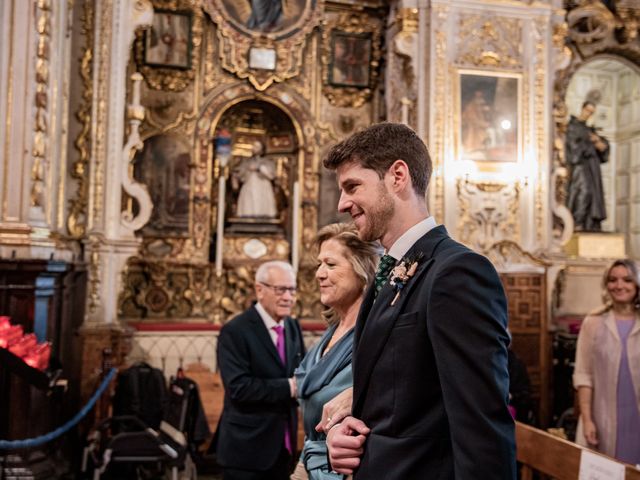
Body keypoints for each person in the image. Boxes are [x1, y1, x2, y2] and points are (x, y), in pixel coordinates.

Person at [323, 122, 516, 479]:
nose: (342, 203)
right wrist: (345, 429)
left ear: (398, 176)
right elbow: (403, 390)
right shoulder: (391, 269)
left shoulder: (456, 272)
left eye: (353, 187)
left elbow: (481, 424)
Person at [290, 223, 378, 480]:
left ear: (362, 271)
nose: (319, 273)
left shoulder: (374, 334)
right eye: (319, 264)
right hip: (310, 460)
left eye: (330, 264)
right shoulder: (332, 332)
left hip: (347, 470)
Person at [214, 260, 305, 480]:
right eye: (280, 289)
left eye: (291, 289)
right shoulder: (235, 331)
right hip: (246, 450)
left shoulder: (292, 326)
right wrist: (290, 387)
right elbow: (239, 388)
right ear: (259, 290)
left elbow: (302, 372)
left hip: (285, 447)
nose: (288, 297)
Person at [573, 258, 640, 465]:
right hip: (603, 416)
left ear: (637, 284)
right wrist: (587, 419)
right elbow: (584, 375)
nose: (619, 286)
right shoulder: (593, 323)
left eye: (627, 280)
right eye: (613, 280)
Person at [565, 101, 610, 231]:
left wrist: (599, 143)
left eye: (591, 112)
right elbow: (572, 148)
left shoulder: (589, 129)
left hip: (592, 167)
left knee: (593, 195)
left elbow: (602, 150)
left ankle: (588, 225)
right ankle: (576, 222)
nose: (588, 114)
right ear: (582, 108)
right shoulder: (572, 126)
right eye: (587, 110)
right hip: (579, 166)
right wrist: (588, 144)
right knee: (584, 192)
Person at [233, 140, 278, 218]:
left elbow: (271, 175)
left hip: (263, 185)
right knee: (249, 203)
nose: (254, 148)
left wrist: (259, 168)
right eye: (254, 146)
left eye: (257, 147)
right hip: (250, 184)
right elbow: (240, 173)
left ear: (262, 149)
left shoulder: (268, 161)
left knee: (261, 203)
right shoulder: (247, 161)